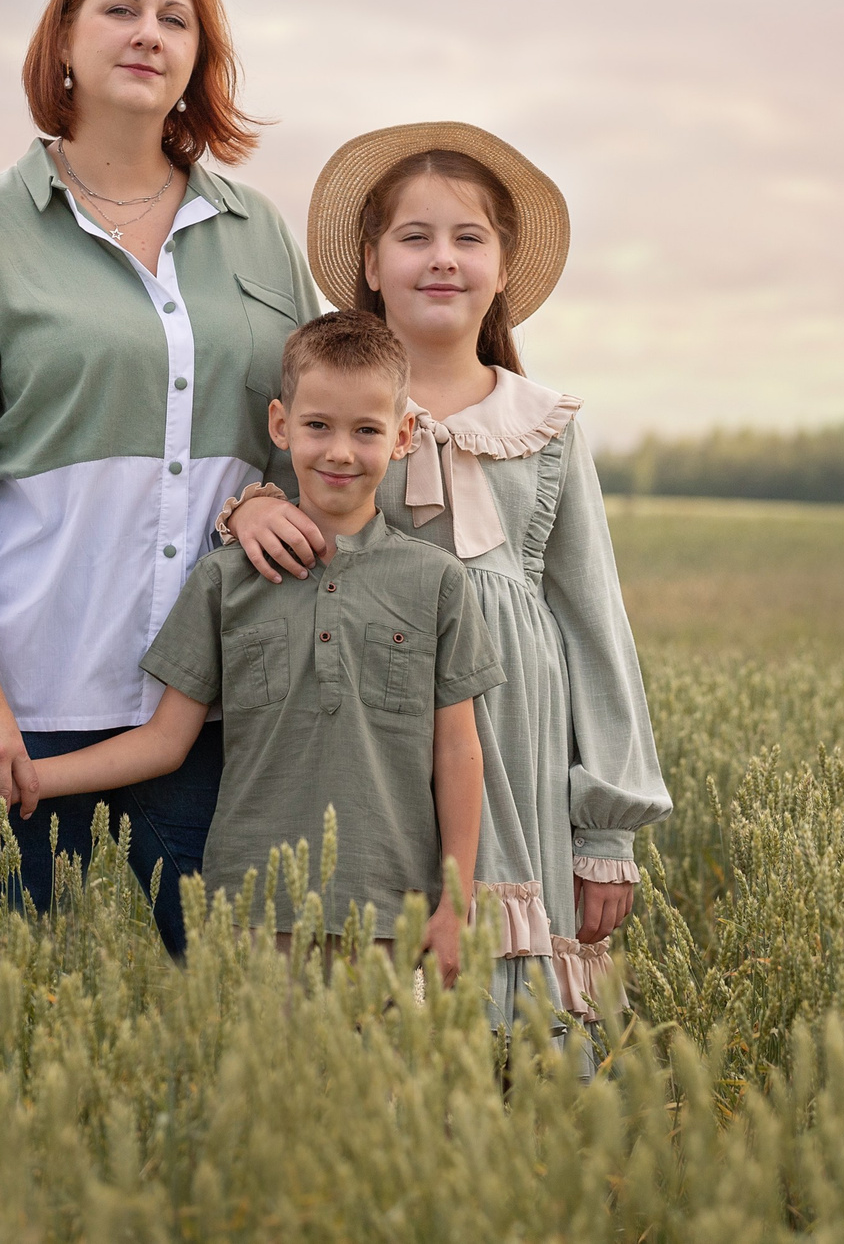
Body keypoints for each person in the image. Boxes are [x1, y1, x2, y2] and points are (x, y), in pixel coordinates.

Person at [0, 0, 322, 956]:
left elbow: (311, 430)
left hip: (190, 715)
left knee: (196, 1027)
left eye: (176, 19)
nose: (147, 33)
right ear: (62, 40)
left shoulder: (257, 235)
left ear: (200, 59)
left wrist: (259, 493)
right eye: (119, 8)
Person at [229, 123, 670, 1023]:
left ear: (503, 266)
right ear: (370, 260)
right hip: (367, 730)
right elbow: (274, 526)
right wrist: (245, 506)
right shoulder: (336, 411)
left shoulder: (543, 424)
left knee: (513, 996)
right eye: (414, 237)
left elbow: (592, 622)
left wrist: (608, 826)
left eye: (469, 237)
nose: (442, 259)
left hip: (512, 728)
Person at [0, 311, 500, 984]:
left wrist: (455, 899)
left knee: (381, 1090)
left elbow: (458, 749)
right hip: (255, 912)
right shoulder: (226, 577)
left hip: (394, 912)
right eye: (318, 425)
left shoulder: (436, 581)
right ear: (279, 424)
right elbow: (164, 741)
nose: (340, 451)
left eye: (367, 430)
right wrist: (28, 777)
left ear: (404, 433)